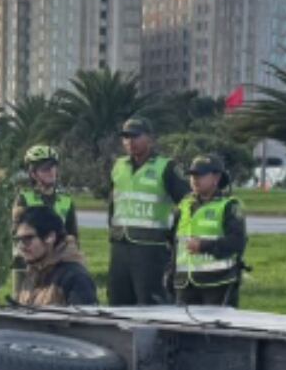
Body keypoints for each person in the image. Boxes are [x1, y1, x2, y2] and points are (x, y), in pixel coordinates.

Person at [106, 117, 189, 306]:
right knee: (118, 303)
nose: (130, 142)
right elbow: (113, 203)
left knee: (151, 304)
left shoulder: (165, 167)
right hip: (120, 247)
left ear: (150, 138)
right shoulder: (118, 166)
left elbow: (187, 203)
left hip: (151, 249)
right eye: (126, 137)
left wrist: (174, 235)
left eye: (135, 136)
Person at [169, 155, 249, 308]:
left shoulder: (229, 206)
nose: (194, 179)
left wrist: (204, 245)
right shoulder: (184, 206)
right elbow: (174, 243)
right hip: (185, 284)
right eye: (192, 175)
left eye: (200, 175)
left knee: (214, 332)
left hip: (218, 284)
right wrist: (171, 273)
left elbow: (238, 242)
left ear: (216, 178)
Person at [13, 206, 98, 307]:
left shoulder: (76, 278)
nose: (21, 247)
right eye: (18, 240)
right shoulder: (33, 272)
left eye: (27, 239)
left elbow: (85, 321)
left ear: (50, 237)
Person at [13, 145, 78, 239]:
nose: (51, 172)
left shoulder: (66, 200)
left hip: (59, 251)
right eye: (45, 169)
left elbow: (72, 235)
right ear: (33, 174)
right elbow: (16, 232)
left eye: (53, 167)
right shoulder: (24, 198)